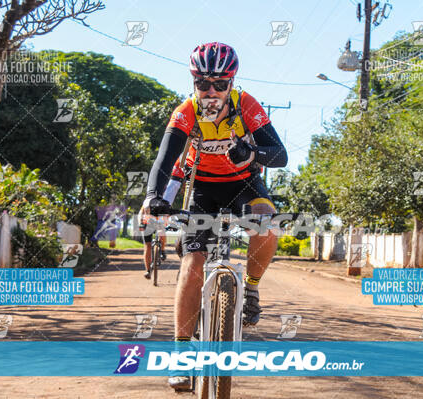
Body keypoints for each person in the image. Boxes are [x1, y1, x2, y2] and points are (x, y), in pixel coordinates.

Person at [142, 42, 287, 390]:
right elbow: (165, 160)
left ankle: (251, 289)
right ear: (193, 83)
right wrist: (152, 196)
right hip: (202, 188)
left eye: (220, 84)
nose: (211, 91)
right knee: (192, 263)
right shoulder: (185, 112)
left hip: (244, 185)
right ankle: (180, 357)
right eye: (203, 83)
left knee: (267, 225)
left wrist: (252, 152)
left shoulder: (246, 105)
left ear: (231, 84)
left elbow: (279, 155)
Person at [139, 161, 184, 279]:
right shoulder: (154, 192)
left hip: (157, 217)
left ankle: (162, 250)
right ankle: (148, 270)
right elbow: (142, 210)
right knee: (148, 245)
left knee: (161, 229)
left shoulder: (161, 192)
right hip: (146, 217)